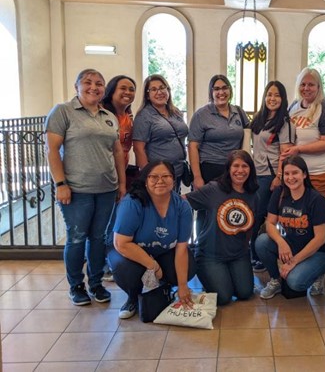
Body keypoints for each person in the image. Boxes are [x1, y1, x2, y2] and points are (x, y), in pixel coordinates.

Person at [45, 68, 126, 306]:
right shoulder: (63, 112)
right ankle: (76, 286)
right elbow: (51, 150)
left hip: (106, 189)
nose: (94, 87)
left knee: (99, 238)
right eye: (88, 82)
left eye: (99, 83)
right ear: (76, 87)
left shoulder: (108, 116)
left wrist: (121, 183)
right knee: (77, 238)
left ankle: (96, 283)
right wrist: (60, 183)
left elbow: (118, 151)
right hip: (76, 190)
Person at [108, 161, 197, 319]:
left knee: (188, 265)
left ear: (174, 181)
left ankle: (164, 287)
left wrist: (183, 286)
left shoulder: (182, 207)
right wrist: (153, 266)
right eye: (154, 177)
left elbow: (181, 248)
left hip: (163, 252)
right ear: (146, 181)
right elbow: (121, 243)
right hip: (130, 254)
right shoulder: (132, 203)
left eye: (166, 176)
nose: (160, 181)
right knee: (126, 269)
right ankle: (132, 297)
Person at [186, 150, 258, 306]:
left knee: (245, 293)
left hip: (238, 254)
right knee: (224, 298)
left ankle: (225, 278)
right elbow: (183, 201)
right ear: (228, 169)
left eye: (245, 166)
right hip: (211, 255)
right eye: (236, 166)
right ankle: (209, 274)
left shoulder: (253, 193)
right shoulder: (214, 189)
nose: (240, 170)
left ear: (250, 169)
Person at [256, 155, 325, 299]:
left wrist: (293, 262)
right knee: (262, 242)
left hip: (318, 252)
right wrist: (281, 242)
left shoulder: (317, 199)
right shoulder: (279, 193)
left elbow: (320, 239)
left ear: (304, 174)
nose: (291, 177)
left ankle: (318, 273)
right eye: (287, 173)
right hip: (292, 245)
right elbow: (270, 223)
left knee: (295, 282)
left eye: (295, 172)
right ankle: (275, 280)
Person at [249, 81, 295, 272]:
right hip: (255, 174)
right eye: (269, 94)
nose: (272, 98)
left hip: (271, 177)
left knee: (261, 216)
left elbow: (287, 153)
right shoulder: (259, 119)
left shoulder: (285, 123)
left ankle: (257, 256)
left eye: (277, 95)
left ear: (283, 99)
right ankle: (253, 254)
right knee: (253, 215)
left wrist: (279, 177)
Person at [282, 68, 325, 206]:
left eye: (311, 84)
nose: (306, 88)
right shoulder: (294, 106)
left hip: (323, 171)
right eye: (303, 84)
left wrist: (299, 149)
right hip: (300, 172)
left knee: (318, 211)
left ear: (318, 87)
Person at [188, 74, 249, 190]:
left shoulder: (239, 112)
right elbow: (192, 147)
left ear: (230, 90)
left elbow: (251, 134)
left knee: (231, 206)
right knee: (209, 207)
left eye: (225, 88)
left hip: (234, 170)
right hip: (209, 169)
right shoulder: (201, 115)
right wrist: (197, 177)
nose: (221, 92)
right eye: (216, 89)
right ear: (211, 92)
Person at [133, 74, 188, 191]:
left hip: (177, 171)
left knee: (173, 206)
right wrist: (148, 177)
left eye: (162, 87)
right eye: (153, 89)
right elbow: (138, 149)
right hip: (158, 176)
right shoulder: (144, 116)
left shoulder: (176, 112)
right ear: (147, 95)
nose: (159, 92)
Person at [101, 75, 137, 190]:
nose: (128, 92)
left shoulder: (128, 117)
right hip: (102, 173)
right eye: (123, 88)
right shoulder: (101, 113)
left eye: (131, 89)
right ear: (111, 91)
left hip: (121, 171)